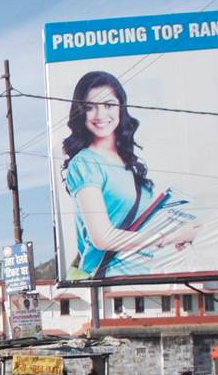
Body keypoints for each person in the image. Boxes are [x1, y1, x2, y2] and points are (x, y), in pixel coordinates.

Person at [62, 70, 196, 278]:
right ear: (81, 112)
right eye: (90, 107)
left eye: (108, 105)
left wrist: (183, 233)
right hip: (104, 279)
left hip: (143, 272)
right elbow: (103, 238)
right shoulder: (85, 163)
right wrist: (168, 237)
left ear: (120, 107)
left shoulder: (130, 162)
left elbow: (141, 226)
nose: (100, 115)